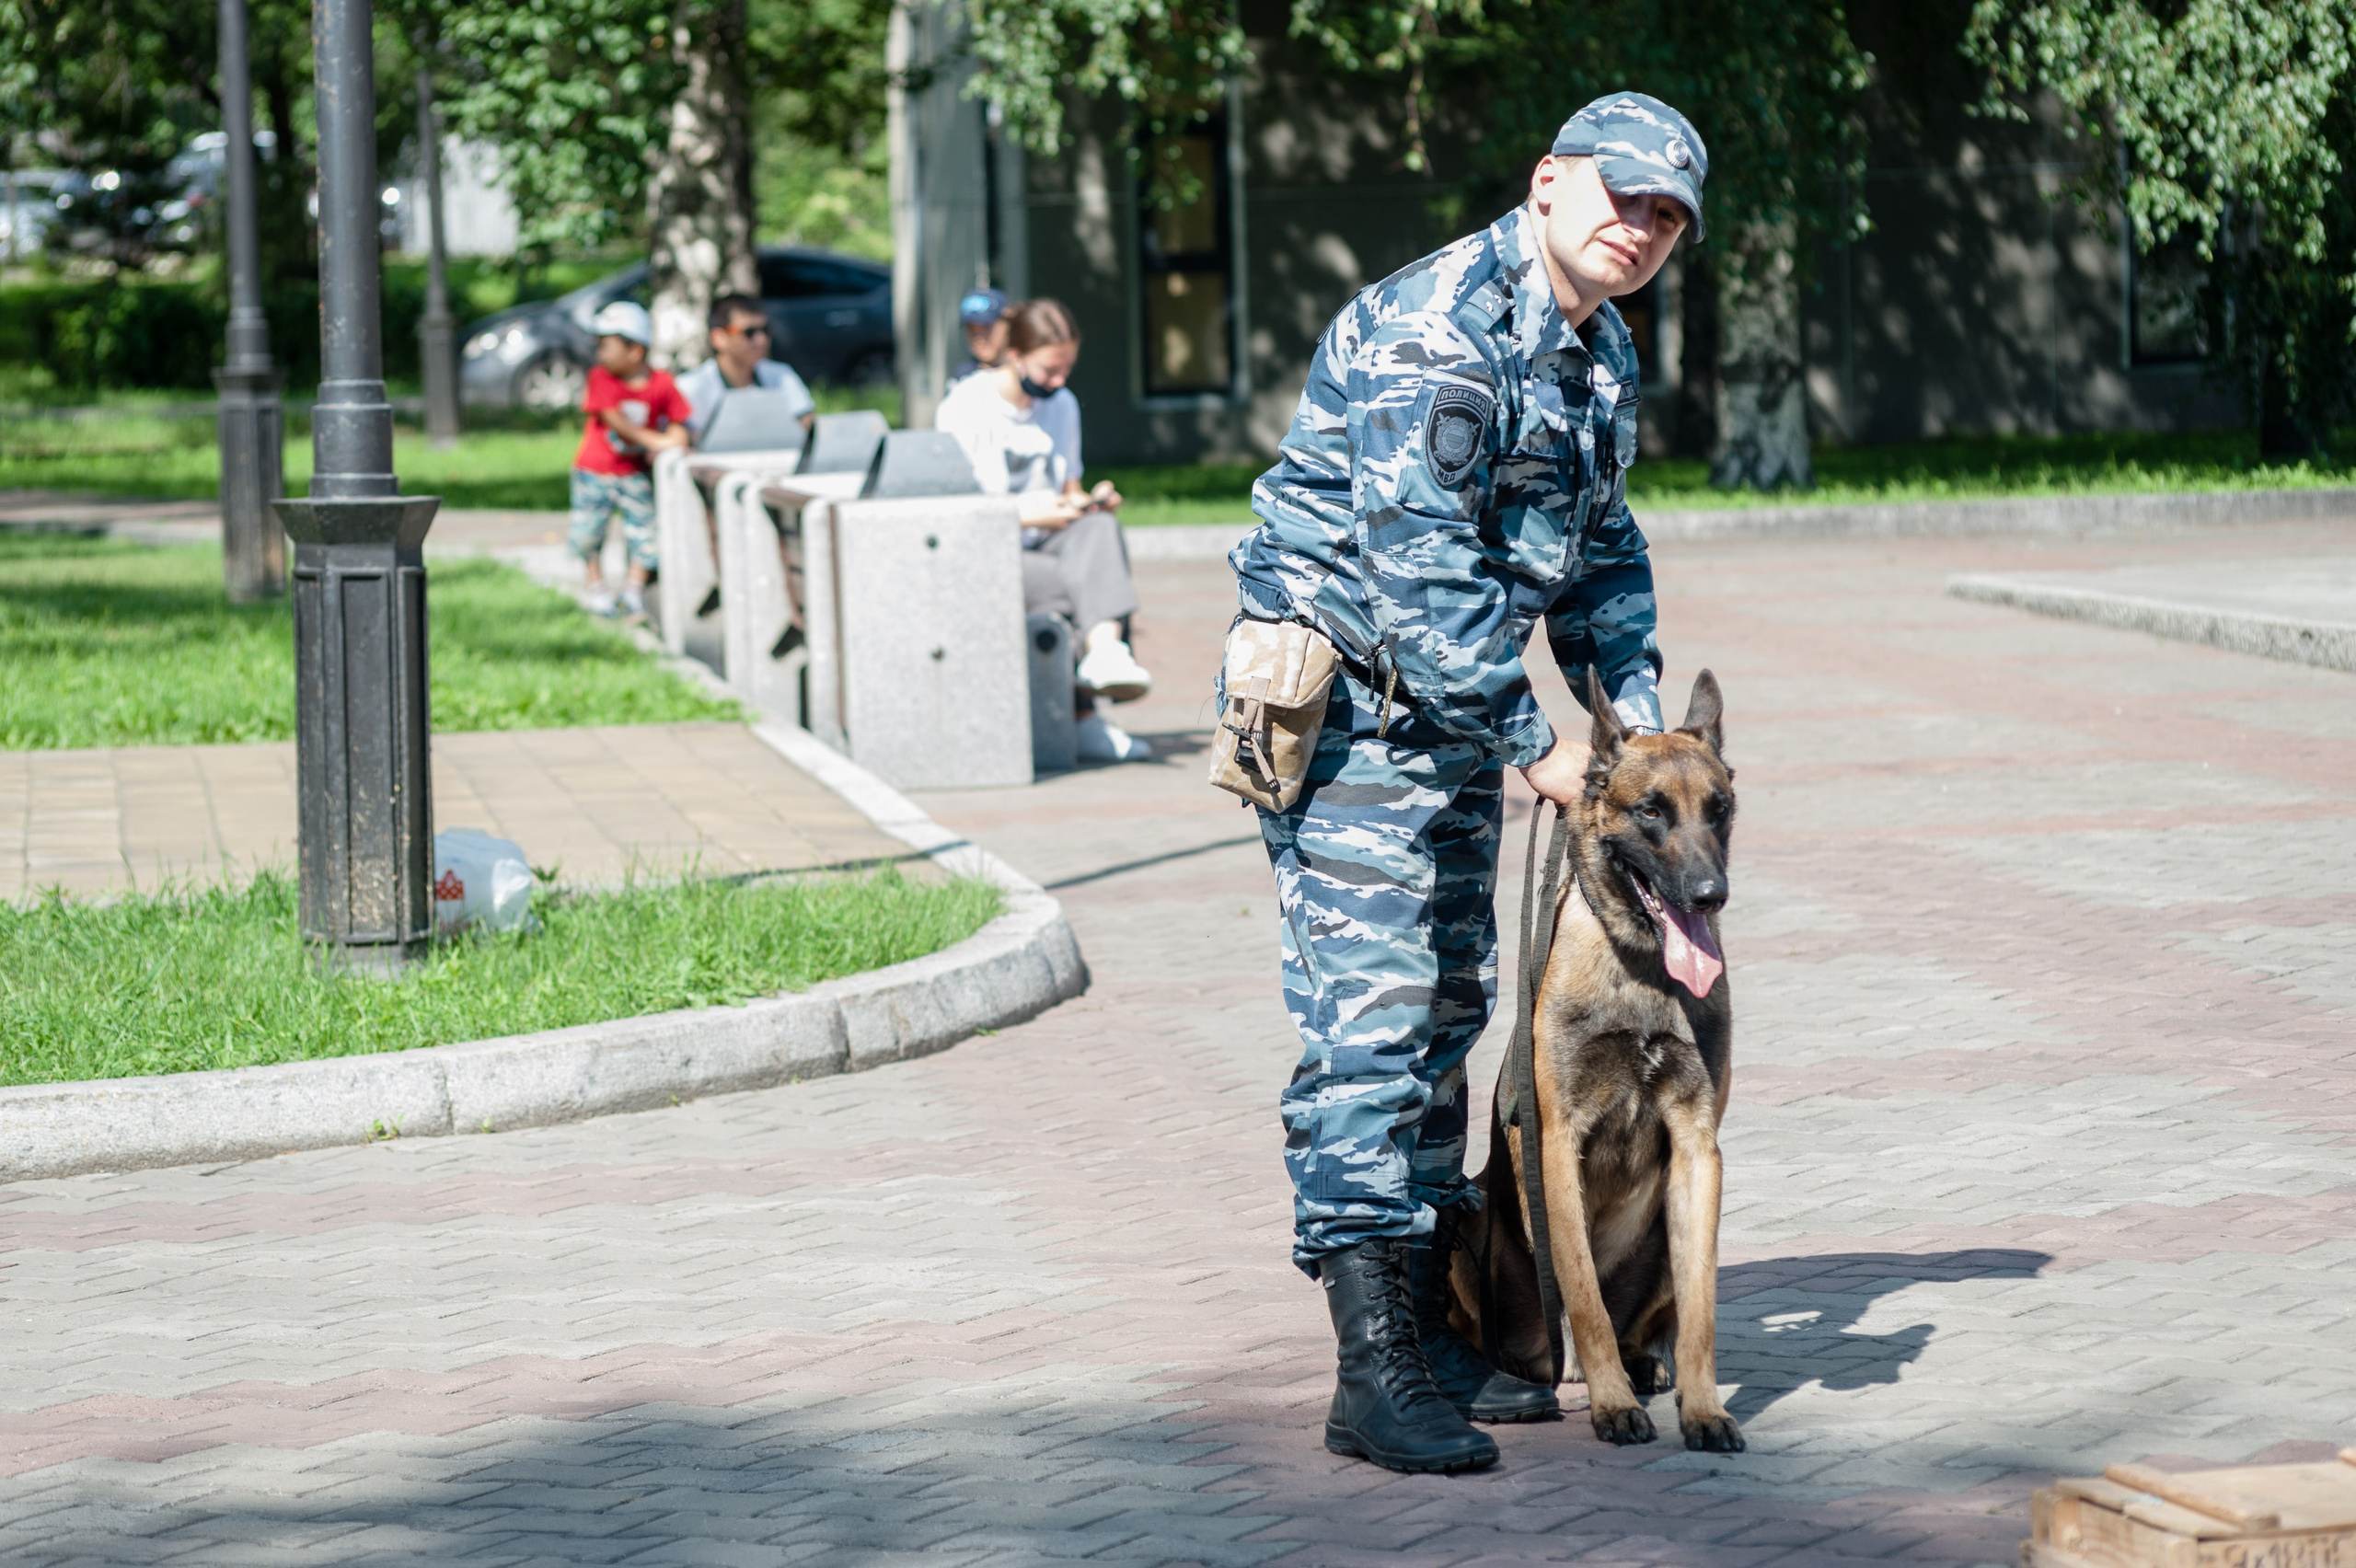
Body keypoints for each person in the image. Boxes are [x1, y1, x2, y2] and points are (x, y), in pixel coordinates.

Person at [1227, 92, 1707, 1472]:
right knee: (1373, 1024)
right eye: (1621, 196)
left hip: (1444, 724)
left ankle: (1431, 1326)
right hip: (1354, 715)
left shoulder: (1597, 345)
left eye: (1667, 216)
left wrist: (1638, 727)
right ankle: (1370, 1367)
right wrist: (1541, 746)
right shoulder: (1436, 329)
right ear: (1549, 180)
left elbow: (1601, 547)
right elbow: (1420, 566)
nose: (1639, 229)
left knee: (1446, 1007)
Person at [935, 297, 1155, 765]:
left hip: (1049, 541)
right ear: (1014, 355)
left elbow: (1068, 489)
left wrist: (1089, 501)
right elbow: (955, 513)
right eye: (1049, 370)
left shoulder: (1062, 405)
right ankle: (1083, 715)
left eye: (1067, 369)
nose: (1059, 382)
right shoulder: (965, 406)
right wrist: (1027, 516)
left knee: (1100, 528)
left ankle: (1105, 654)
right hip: (987, 548)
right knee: (1074, 584)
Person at [571, 300, 691, 618]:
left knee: (645, 533)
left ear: (635, 350)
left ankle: (633, 591)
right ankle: (597, 589)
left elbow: (680, 426)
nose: (599, 353)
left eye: (606, 345)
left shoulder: (662, 383)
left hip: (634, 474)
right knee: (588, 533)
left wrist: (674, 439)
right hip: (594, 471)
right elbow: (616, 422)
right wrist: (659, 441)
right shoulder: (600, 378)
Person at [677, 293, 816, 443]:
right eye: (749, 333)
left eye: (766, 330)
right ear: (719, 338)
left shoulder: (781, 375)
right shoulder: (690, 387)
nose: (762, 340)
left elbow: (807, 423)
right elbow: (683, 438)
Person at [949, 287, 1011, 385]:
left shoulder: (1025, 372)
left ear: (1007, 325)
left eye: (986, 327)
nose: (979, 338)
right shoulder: (963, 377)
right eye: (971, 329)